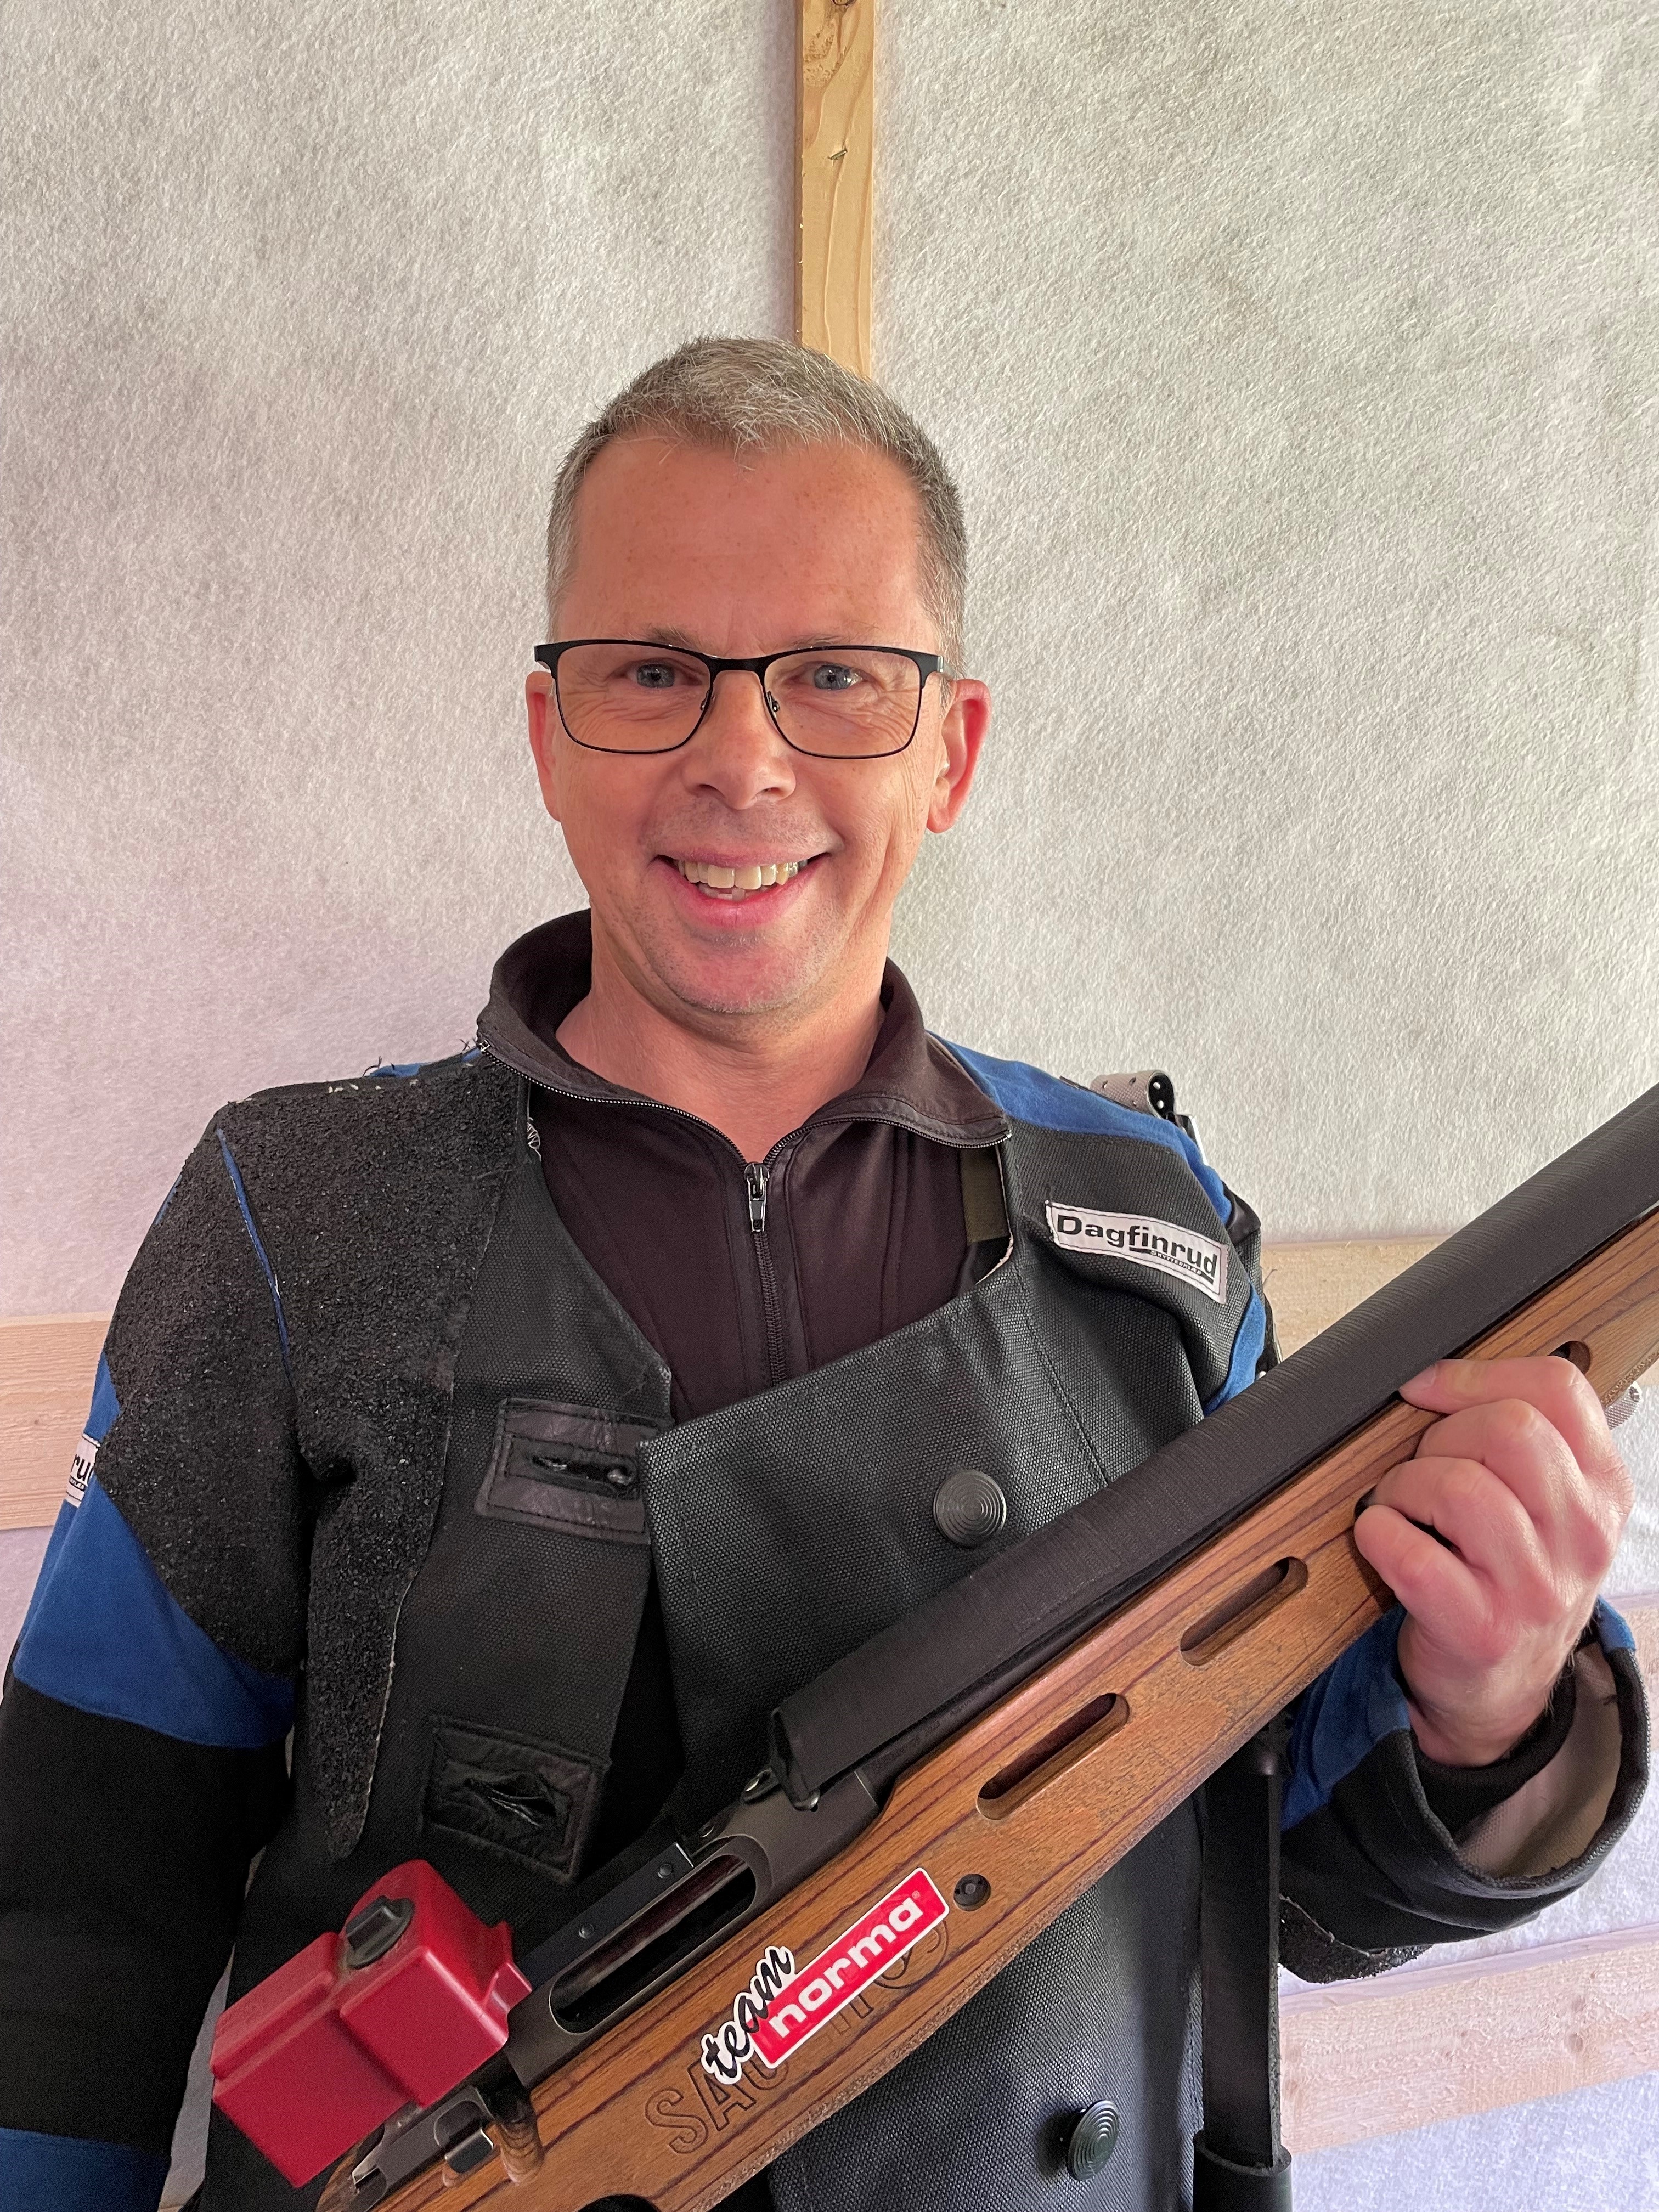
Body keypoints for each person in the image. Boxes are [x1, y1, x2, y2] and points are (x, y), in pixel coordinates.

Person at [0, 338, 1644, 2212]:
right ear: (549, 737)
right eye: (651, 672)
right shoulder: (300, 1218)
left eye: (838, 678)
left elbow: (1291, 1864)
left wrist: (1494, 1705)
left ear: (951, 752)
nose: (740, 757)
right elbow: (72, 1914)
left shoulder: (1159, 1231)